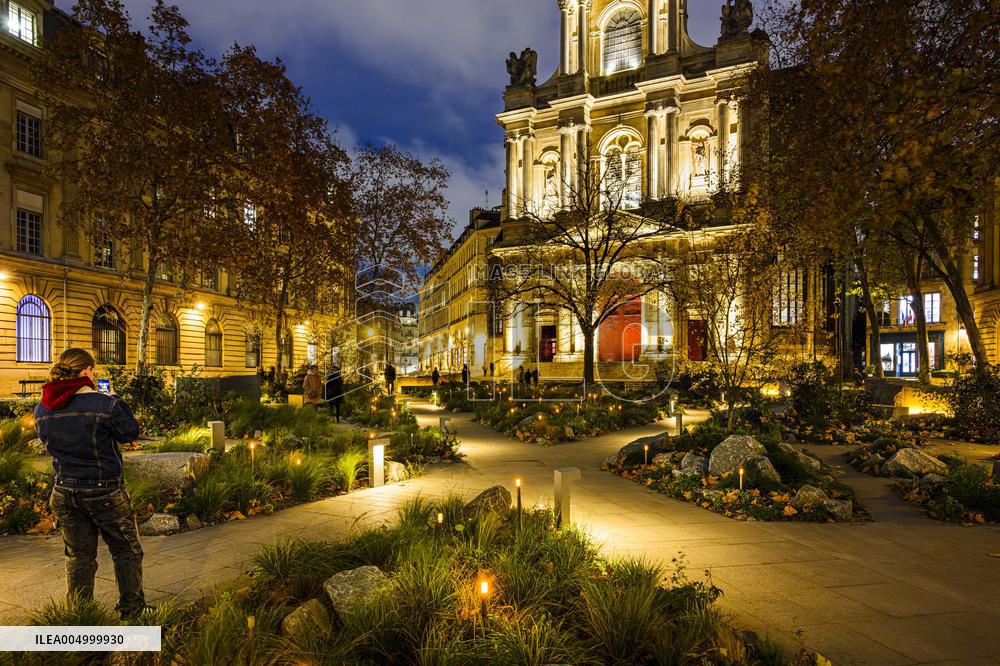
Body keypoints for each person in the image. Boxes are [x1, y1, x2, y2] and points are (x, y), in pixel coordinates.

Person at [35, 348, 146, 619]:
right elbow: (130, 432)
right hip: (103, 490)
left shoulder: (42, 408)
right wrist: (115, 398)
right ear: (86, 371)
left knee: (78, 557)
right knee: (126, 550)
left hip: (63, 490)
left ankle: (80, 616)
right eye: (92, 370)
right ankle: (132, 612)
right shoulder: (105, 403)